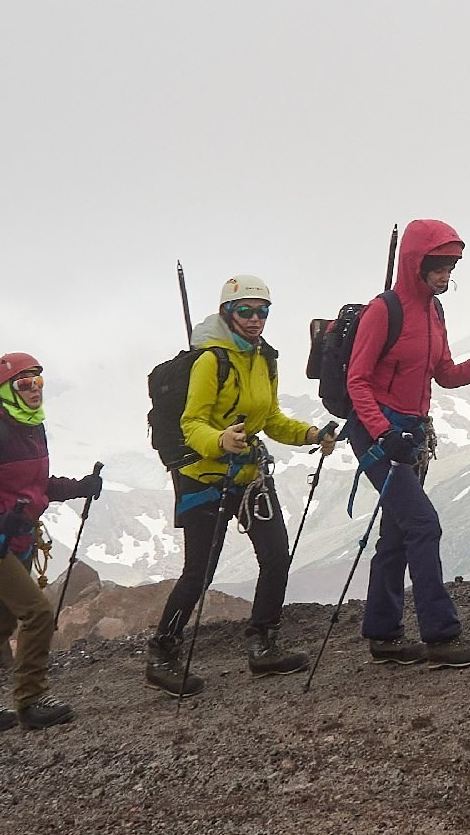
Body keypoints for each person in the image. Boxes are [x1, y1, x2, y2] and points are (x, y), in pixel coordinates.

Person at [146, 277, 340, 694]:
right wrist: (220, 440)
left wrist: (309, 434)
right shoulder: (209, 361)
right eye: (246, 311)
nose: (255, 320)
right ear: (227, 313)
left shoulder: (264, 358)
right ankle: (163, 651)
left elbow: (270, 418)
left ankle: (263, 643)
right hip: (204, 478)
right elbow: (191, 422)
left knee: (275, 555)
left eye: (263, 311)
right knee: (199, 572)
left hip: (248, 476)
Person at [345, 220, 470, 668]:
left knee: (397, 533)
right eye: (439, 265)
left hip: (407, 434)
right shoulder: (383, 311)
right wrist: (383, 433)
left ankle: (383, 634)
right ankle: (441, 636)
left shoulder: (434, 312)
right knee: (423, 525)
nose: (446, 274)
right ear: (417, 263)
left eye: (451, 265)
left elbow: (445, 374)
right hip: (380, 434)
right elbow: (357, 381)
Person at [0, 353, 102, 733]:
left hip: (17, 541)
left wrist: (80, 487)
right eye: (24, 384)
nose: (34, 390)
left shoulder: (33, 429)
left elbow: (38, 487)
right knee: (36, 614)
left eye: (38, 383)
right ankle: (31, 700)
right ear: (5, 390)